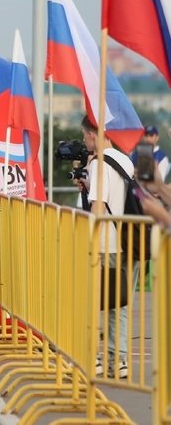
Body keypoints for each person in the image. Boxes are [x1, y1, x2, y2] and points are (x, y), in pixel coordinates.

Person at [76, 115, 132, 379]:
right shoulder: (125, 160)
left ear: (93, 135)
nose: (84, 141)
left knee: (96, 300)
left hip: (106, 242)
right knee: (119, 304)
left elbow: (98, 206)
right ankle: (118, 360)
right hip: (128, 240)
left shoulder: (98, 164)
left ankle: (97, 357)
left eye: (85, 136)